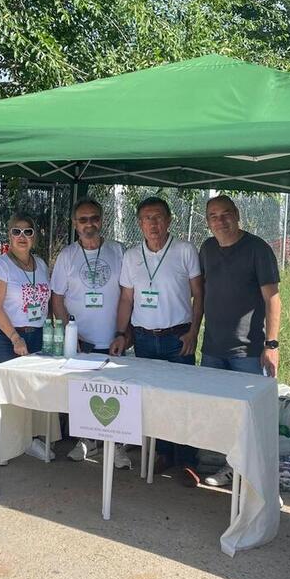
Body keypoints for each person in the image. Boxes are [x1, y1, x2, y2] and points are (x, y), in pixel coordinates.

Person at [109, 196, 203, 474]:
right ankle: (162, 452)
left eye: (158, 217)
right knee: (153, 400)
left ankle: (187, 460)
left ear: (169, 220)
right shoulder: (131, 256)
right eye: (147, 218)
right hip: (145, 340)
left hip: (178, 338)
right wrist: (120, 334)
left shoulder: (185, 250)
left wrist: (194, 332)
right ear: (139, 224)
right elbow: (126, 299)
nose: (153, 223)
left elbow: (199, 293)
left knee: (184, 399)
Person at [196, 195, 281, 487]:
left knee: (250, 417)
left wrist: (271, 345)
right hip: (212, 350)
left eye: (225, 214)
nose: (220, 221)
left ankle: (254, 476)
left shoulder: (258, 249)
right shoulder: (206, 249)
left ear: (237, 215)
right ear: (207, 222)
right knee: (220, 413)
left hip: (247, 351)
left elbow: (273, 299)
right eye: (213, 216)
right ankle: (228, 467)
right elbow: (203, 293)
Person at [50, 199, 125, 463]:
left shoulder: (118, 251)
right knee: (81, 393)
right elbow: (57, 299)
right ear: (74, 224)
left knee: (116, 392)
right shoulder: (67, 255)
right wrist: (71, 332)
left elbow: (130, 294)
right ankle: (87, 441)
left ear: (102, 220)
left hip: (113, 337)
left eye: (94, 218)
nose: (89, 224)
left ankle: (115, 445)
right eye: (83, 220)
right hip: (80, 340)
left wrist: (124, 332)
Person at [0, 213, 50, 369]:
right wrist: (15, 338)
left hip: (36, 335)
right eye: (16, 231)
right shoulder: (1, 265)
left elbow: (48, 301)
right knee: (8, 389)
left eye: (28, 232)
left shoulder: (41, 264)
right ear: (9, 235)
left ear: (34, 237)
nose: (22, 236)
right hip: (4, 337)